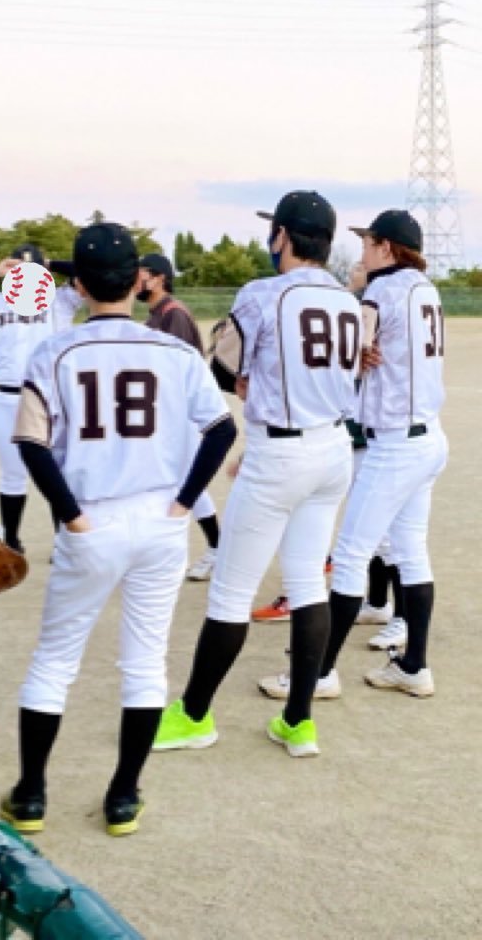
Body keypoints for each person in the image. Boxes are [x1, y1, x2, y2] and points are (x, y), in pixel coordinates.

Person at [0, 223, 236, 837]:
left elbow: (30, 442)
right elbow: (221, 430)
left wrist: (71, 514)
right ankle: (124, 794)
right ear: (137, 280)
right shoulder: (177, 352)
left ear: (77, 287)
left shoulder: (54, 351)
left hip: (92, 516)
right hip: (160, 519)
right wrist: (185, 502)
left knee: (55, 660)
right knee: (145, 662)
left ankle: (31, 794)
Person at [154, 190, 360, 758]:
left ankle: (195, 714)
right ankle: (298, 721)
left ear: (286, 237)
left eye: (276, 232)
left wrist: (252, 384)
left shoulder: (263, 294)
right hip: (333, 447)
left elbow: (222, 367)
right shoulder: (347, 299)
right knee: (307, 583)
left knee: (230, 592)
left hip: (281, 452)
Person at [258, 210, 447, 700]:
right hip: (428, 438)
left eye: (368, 241)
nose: (362, 249)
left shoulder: (381, 292)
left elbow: (347, 355)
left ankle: (318, 675)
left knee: (349, 559)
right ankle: (414, 666)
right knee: (411, 551)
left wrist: (357, 353)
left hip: (395, 443)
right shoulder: (426, 288)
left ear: (387, 248)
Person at [0, 244, 81, 553]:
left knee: (56, 467)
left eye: (33, 273)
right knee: (12, 473)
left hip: (50, 396)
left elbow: (85, 272)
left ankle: (62, 540)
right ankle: (11, 539)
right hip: (8, 397)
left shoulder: (61, 301)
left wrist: (49, 262)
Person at [136, 252, 221, 581]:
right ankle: (216, 546)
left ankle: (216, 547)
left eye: (142, 274)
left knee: (187, 482)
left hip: (183, 413)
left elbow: (182, 371)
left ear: (159, 278)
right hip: (169, 413)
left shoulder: (174, 314)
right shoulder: (157, 314)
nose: (136, 281)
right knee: (182, 481)